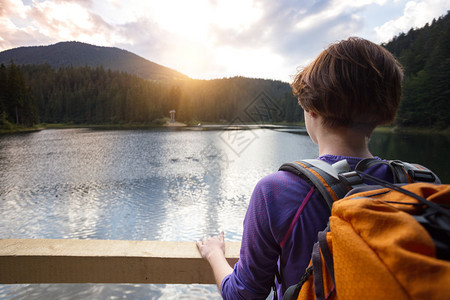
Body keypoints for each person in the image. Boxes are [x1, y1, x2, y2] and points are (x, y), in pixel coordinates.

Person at [196, 37, 404, 299]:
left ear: (311, 109)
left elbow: (243, 295)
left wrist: (214, 253)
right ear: (385, 110)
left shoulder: (275, 191)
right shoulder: (418, 183)